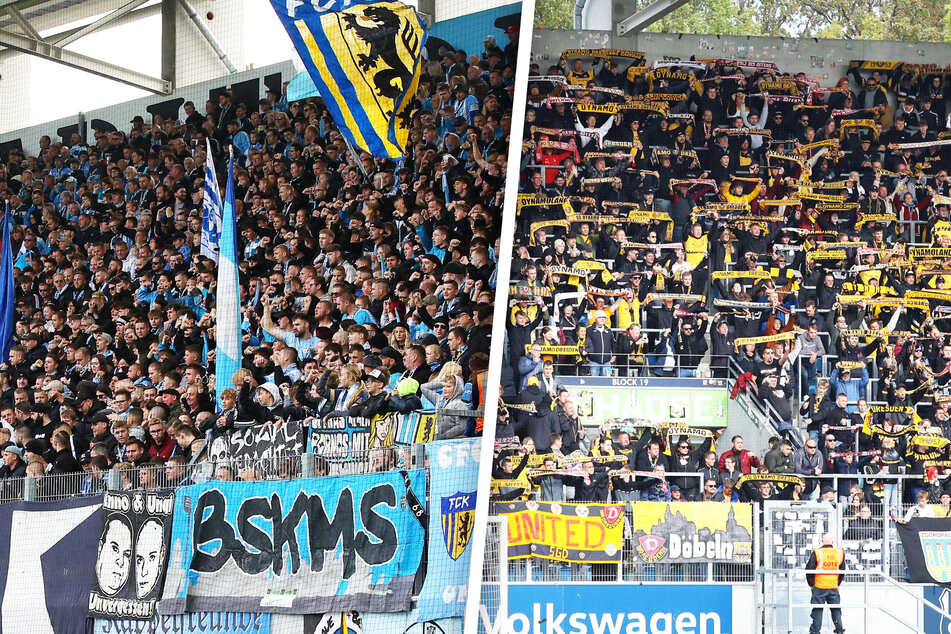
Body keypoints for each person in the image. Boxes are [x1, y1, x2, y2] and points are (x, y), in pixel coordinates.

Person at [805, 533, 846, 634]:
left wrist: (811, 584)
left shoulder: (817, 552)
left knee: (818, 610)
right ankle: (839, 630)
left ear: (822, 541)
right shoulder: (839, 553)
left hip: (819, 587)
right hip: (833, 586)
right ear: (832, 542)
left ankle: (815, 631)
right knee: (836, 609)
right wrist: (837, 583)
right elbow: (842, 570)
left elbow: (809, 569)